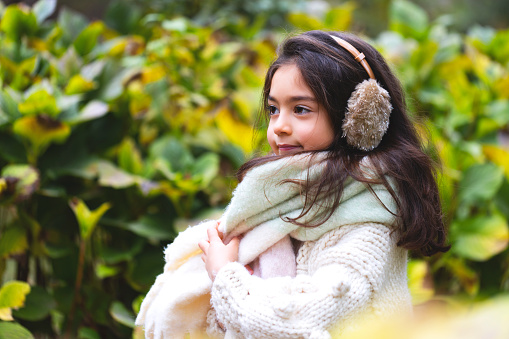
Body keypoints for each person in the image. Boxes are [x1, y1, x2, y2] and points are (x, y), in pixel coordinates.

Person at [135, 30, 449, 339]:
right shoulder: (282, 201)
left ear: (359, 119)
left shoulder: (369, 225)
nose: (280, 127)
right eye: (274, 109)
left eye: (300, 109)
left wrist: (224, 276)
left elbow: (301, 321)